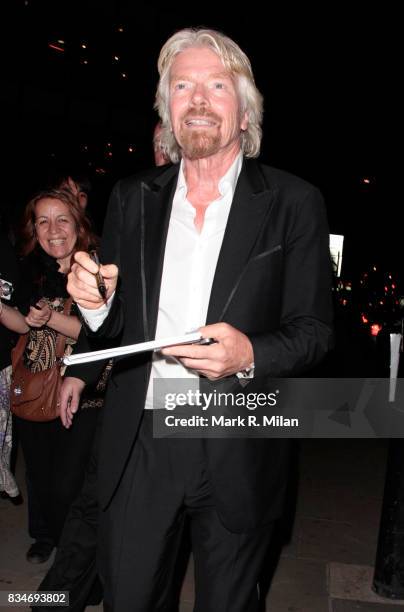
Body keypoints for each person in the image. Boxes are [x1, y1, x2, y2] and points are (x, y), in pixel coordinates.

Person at [63, 27, 333, 611]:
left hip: (241, 432)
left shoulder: (293, 202)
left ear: (244, 114)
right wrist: (93, 303)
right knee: (129, 598)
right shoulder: (133, 197)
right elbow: (116, 327)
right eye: (181, 86)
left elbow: (314, 332)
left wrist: (250, 354)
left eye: (217, 84)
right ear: (167, 111)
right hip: (143, 436)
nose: (199, 98)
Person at [0, 188, 99, 563]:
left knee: (70, 481)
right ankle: (49, 538)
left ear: (78, 224)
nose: (53, 229)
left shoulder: (96, 267)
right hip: (36, 383)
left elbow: (103, 334)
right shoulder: (28, 271)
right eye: (43, 221)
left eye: (63, 219)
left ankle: (80, 558)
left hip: (85, 390)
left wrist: (52, 318)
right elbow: (19, 325)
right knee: (40, 475)